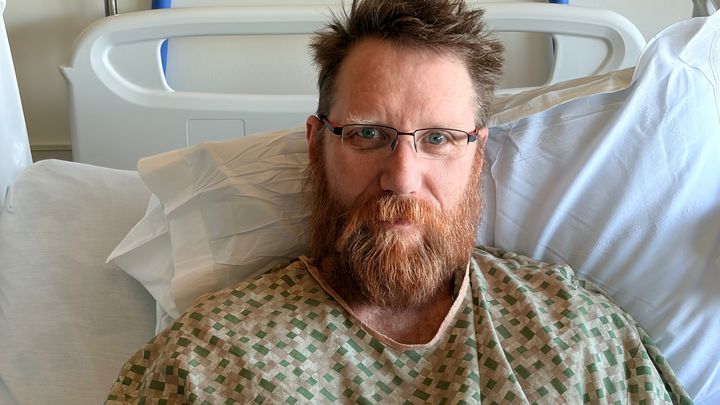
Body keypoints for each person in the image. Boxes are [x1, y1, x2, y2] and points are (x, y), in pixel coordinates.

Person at [107, 0, 692, 403]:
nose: (402, 178)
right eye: (368, 134)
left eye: (438, 138)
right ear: (316, 146)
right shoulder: (212, 358)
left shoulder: (575, 334)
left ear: (477, 157)